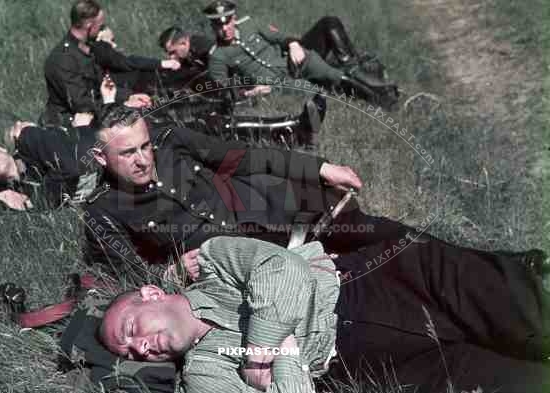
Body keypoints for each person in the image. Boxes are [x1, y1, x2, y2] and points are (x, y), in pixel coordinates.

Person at [99, 236, 550, 393]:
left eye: (132, 329)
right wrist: (292, 357)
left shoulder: (214, 263)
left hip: (377, 282)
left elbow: (283, 269)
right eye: (132, 351)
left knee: (530, 314)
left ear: (152, 294)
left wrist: (262, 354)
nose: (141, 346)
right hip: (361, 360)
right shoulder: (205, 375)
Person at [82, 103, 363, 283]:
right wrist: (172, 274)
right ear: (101, 157)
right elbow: (130, 273)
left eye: (144, 146)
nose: (143, 159)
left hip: (272, 209)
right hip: (245, 263)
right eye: (128, 153)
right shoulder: (103, 210)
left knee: (369, 229)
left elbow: (244, 157)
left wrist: (319, 168)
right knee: (351, 278)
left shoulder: (171, 142)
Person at [202, 1, 398, 109]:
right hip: (275, 86)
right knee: (317, 94)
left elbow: (280, 37)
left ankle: (381, 101)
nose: (224, 29)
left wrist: (294, 44)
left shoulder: (249, 24)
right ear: (212, 26)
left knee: (335, 76)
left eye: (227, 22)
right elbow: (224, 92)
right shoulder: (217, 56)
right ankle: (370, 96)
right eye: (219, 25)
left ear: (234, 19)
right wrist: (250, 92)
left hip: (291, 64)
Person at [42, 0, 166, 127]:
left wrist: (129, 96)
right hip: (70, 123)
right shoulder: (62, 59)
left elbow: (103, 85)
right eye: (100, 26)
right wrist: (123, 104)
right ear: (89, 25)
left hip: (98, 112)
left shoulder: (87, 49)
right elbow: (81, 103)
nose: (101, 29)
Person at [0, 120, 98, 218]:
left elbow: (69, 168)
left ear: (0, 148)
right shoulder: (15, 190)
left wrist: (35, 203)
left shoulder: (27, 139)